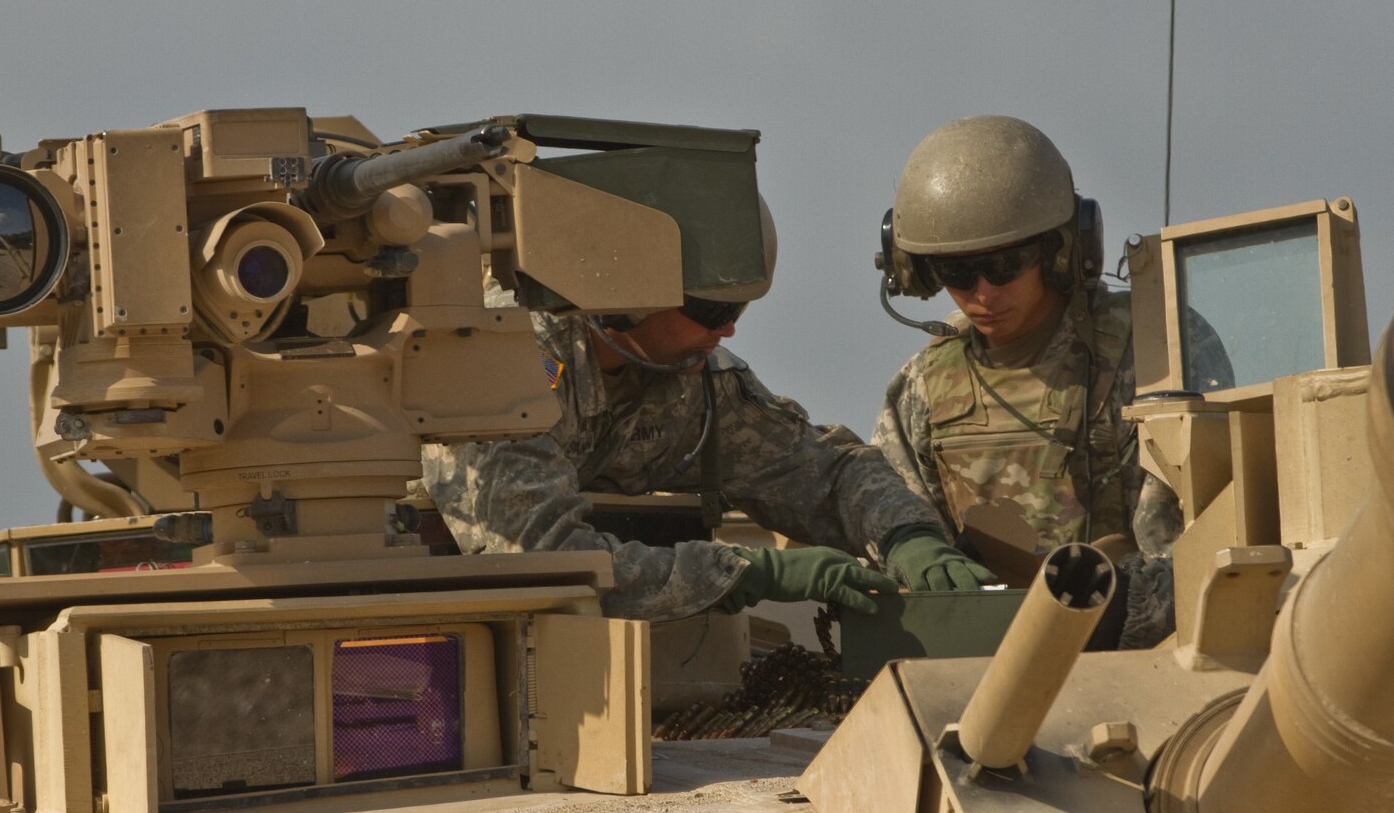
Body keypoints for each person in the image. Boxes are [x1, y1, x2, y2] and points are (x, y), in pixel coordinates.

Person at [424, 199, 989, 623]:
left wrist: (907, 537)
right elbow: (542, 560)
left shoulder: (690, 379)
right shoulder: (498, 358)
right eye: (711, 307)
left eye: (738, 306)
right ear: (625, 293)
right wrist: (744, 570)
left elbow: (823, 471)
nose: (728, 329)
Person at [872, 116, 1203, 648]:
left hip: (1143, 651)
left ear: (1059, 250)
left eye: (1006, 264)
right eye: (958, 273)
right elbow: (907, 534)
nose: (982, 293)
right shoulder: (922, 388)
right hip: (988, 655)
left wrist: (1118, 612)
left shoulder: (1152, 352)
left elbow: (1206, 540)